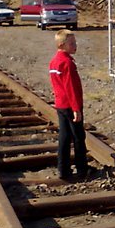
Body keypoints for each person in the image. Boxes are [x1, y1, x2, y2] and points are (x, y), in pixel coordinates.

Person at [48, 29, 90, 180]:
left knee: (64, 137)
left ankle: (63, 170)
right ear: (62, 45)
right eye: (71, 43)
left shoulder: (54, 61)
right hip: (70, 106)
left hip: (60, 104)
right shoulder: (67, 63)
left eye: (75, 42)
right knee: (78, 137)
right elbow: (70, 87)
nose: (75, 45)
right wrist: (76, 109)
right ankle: (82, 169)